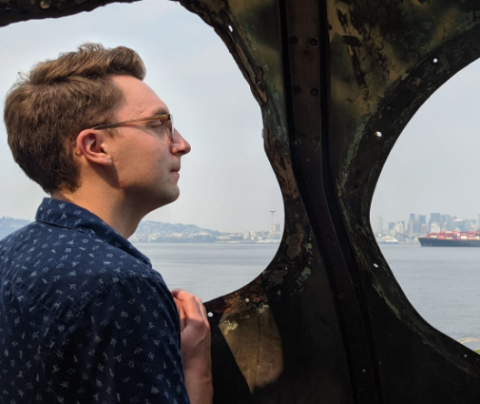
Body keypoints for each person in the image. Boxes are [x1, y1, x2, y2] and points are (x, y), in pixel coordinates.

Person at [0, 43, 213, 403]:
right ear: (96, 146)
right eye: (160, 124)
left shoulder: (9, 255)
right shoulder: (121, 286)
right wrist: (196, 367)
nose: (181, 144)